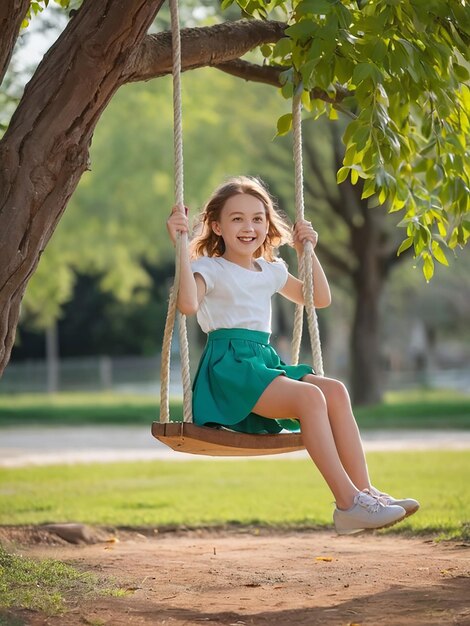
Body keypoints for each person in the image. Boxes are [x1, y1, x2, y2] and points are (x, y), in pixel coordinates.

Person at [166, 175, 419, 535]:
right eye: (236, 218)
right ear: (217, 226)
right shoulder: (209, 268)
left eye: (257, 218)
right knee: (311, 397)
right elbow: (188, 305)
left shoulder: (269, 270)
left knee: (335, 391)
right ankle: (347, 504)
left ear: (268, 224)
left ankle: (366, 494)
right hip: (231, 368)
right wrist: (180, 245)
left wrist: (306, 252)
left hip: (263, 362)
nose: (249, 227)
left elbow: (318, 298)